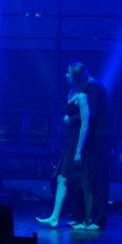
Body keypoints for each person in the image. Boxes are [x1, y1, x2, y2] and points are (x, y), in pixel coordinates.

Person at [37, 61, 109, 230]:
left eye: (68, 72)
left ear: (76, 76)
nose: (65, 75)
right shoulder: (77, 90)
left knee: (91, 180)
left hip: (96, 138)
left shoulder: (92, 88)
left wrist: (71, 120)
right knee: (72, 179)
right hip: (78, 139)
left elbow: (89, 117)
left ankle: (94, 219)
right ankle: (77, 216)